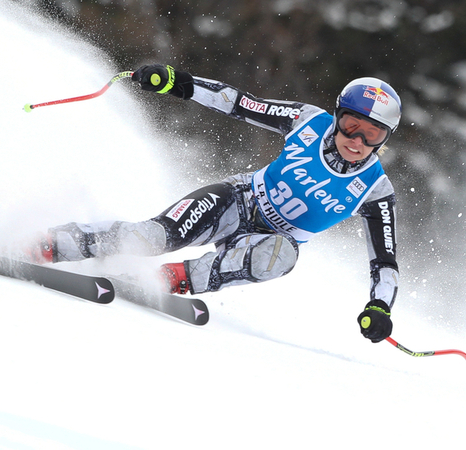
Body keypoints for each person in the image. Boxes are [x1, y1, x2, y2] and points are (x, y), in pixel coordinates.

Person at [27, 64, 401, 343]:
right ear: (337, 117)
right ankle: (52, 243)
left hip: (264, 243)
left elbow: (384, 263)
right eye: (352, 125)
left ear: (383, 139)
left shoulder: (374, 189)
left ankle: (171, 278)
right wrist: (178, 83)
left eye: (372, 135)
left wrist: (379, 307)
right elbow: (239, 103)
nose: (357, 141)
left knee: (281, 256)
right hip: (237, 200)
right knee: (153, 236)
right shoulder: (307, 121)